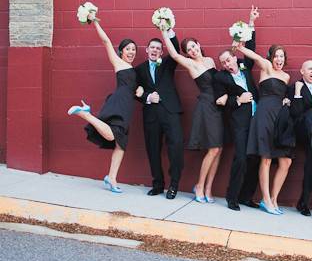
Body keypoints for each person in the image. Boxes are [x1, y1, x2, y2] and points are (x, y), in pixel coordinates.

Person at [67, 13, 143, 193]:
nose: (131, 52)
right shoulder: (118, 63)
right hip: (118, 103)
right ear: (121, 51)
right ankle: (86, 114)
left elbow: (136, 90)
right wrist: (94, 22)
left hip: (127, 106)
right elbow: (106, 42)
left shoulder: (133, 70)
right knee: (111, 136)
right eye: (128, 49)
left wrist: (139, 91)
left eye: (134, 49)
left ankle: (112, 178)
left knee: (121, 145)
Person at [159, 23, 223, 204]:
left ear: (198, 44)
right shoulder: (191, 65)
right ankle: (199, 186)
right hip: (206, 107)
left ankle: (209, 188)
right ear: (188, 54)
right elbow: (173, 54)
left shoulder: (210, 61)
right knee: (214, 149)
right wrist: (164, 32)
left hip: (219, 107)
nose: (193, 51)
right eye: (189, 50)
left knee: (219, 150)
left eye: (194, 46)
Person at [233, 39, 292, 215]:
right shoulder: (266, 67)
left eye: (282, 56)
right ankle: (266, 200)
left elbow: (282, 95)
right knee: (265, 158)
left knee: (284, 160)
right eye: (276, 56)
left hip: (279, 118)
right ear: (271, 57)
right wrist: (240, 45)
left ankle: (273, 198)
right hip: (264, 115)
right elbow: (254, 56)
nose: (279, 60)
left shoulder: (286, 77)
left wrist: (286, 100)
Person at [214, 6, 261, 211]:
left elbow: (251, 52)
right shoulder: (220, 77)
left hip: (256, 119)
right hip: (239, 122)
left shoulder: (244, 66)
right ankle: (232, 197)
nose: (227, 63)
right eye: (223, 62)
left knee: (254, 159)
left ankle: (246, 196)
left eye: (229, 59)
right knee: (241, 158)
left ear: (234, 57)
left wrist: (251, 23)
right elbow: (220, 100)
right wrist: (239, 100)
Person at [134, 30, 184, 200]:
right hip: (151, 115)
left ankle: (174, 185)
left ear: (162, 52)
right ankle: (157, 184)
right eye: (152, 47)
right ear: (147, 50)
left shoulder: (168, 63)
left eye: (158, 48)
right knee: (153, 149)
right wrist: (147, 97)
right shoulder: (139, 69)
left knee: (176, 147)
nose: (155, 50)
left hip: (171, 112)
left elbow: (176, 48)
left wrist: (167, 30)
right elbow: (134, 91)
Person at [291, 60, 312, 217]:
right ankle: (303, 202)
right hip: (303, 127)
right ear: (302, 71)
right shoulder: (296, 86)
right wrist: (297, 93)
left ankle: (303, 201)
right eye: (310, 69)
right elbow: (295, 113)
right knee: (311, 114)